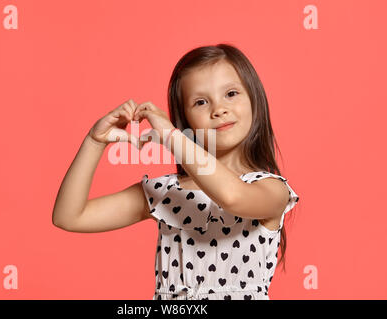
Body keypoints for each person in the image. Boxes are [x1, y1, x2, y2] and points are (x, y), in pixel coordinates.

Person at [52, 43, 300, 300]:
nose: (218, 109)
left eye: (231, 93)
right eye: (201, 102)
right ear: (185, 118)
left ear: (254, 99)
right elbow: (69, 217)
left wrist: (171, 136)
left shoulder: (271, 189)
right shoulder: (168, 194)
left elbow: (232, 197)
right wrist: (95, 141)